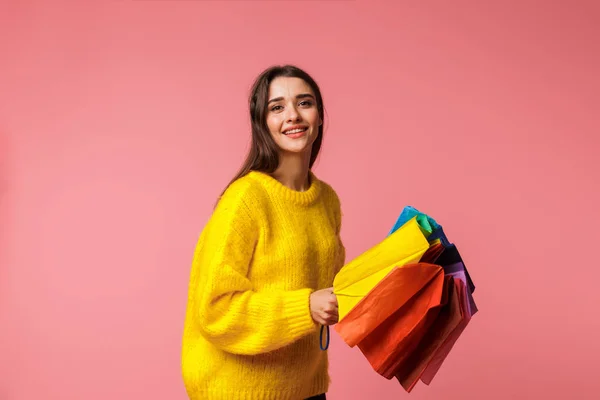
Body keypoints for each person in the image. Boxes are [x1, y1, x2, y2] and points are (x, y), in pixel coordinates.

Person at [180, 65, 346, 400]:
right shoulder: (246, 199)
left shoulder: (326, 199)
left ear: (320, 116)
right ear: (262, 123)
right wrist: (306, 308)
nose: (293, 116)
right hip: (240, 392)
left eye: (305, 103)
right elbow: (215, 309)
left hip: (307, 389)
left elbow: (329, 289)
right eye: (277, 107)